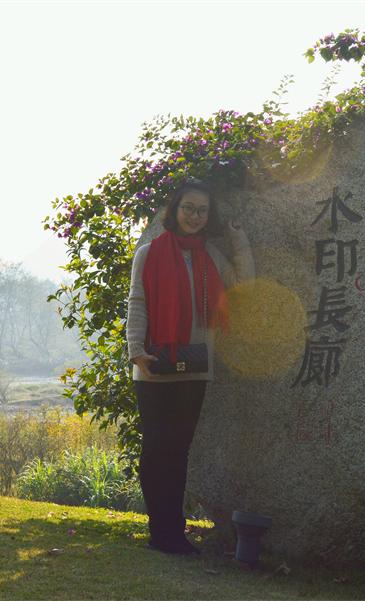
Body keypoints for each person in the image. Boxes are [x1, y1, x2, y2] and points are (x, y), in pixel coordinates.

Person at [126, 178, 255, 555]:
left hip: (194, 367)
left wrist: (239, 241)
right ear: (175, 210)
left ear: (208, 215)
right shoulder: (148, 253)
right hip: (153, 364)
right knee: (155, 449)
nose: (195, 216)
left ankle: (174, 532)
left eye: (202, 210)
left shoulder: (210, 255)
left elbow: (244, 285)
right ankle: (160, 530)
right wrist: (136, 351)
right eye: (188, 208)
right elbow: (137, 303)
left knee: (178, 451)